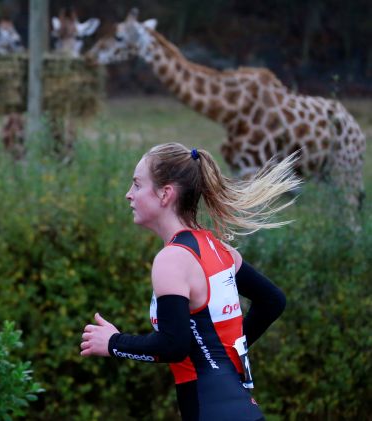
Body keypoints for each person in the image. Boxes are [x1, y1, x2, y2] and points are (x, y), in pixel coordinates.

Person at [79, 142, 300, 421]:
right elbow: (272, 302)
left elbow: (174, 345)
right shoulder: (219, 249)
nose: (128, 194)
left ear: (165, 194)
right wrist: (224, 355)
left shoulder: (172, 260)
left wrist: (113, 342)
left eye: (137, 185)